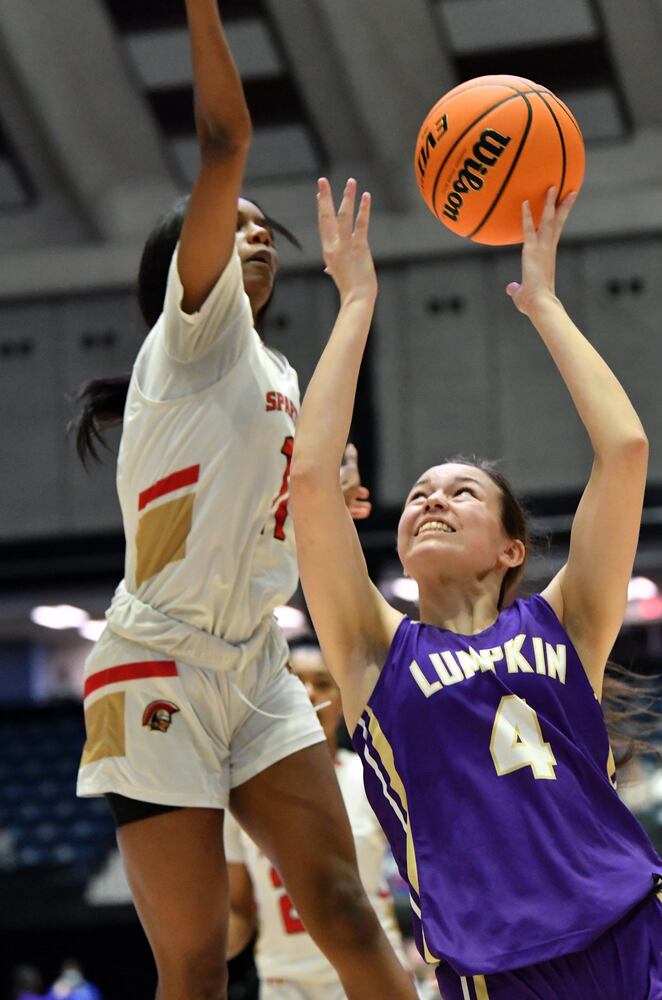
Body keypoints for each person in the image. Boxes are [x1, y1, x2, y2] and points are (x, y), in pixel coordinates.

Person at [72, 4, 417, 1000]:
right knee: (194, 964)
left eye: (267, 232)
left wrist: (325, 497)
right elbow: (225, 137)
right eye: (239, 225)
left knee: (349, 911)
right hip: (156, 662)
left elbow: (293, 508)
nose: (256, 235)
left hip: (256, 661)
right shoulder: (189, 340)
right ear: (193, 263)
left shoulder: (279, 372)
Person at [290, 177, 662, 999]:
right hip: (498, 968)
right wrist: (355, 302)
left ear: (509, 548)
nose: (431, 499)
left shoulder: (567, 619)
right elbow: (310, 483)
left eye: (461, 492)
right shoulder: (371, 648)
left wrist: (546, 306)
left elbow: (627, 448)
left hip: (634, 927)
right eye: (421, 491)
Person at [224, 640, 414, 999]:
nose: (309, 694)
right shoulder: (240, 792)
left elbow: (426, 876)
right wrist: (190, 954)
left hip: (371, 972)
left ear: (342, 702)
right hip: (286, 984)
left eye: (323, 684)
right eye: (295, 682)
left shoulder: (370, 776)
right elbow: (238, 911)